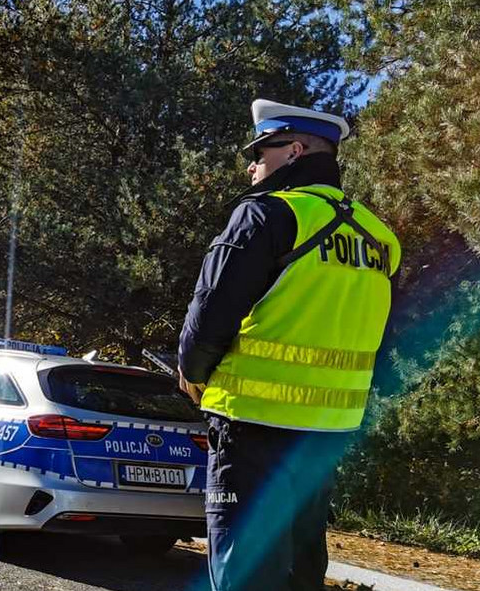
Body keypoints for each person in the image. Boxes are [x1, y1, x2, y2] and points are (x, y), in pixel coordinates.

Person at [178, 99, 401, 591]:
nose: (252, 164)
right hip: (327, 431)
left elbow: (210, 313)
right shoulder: (381, 239)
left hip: (252, 425)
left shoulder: (266, 215)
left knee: (246, 567)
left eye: (261, 151)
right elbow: (380, 336)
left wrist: (193, 373)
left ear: (294, 151)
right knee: (302, 565)